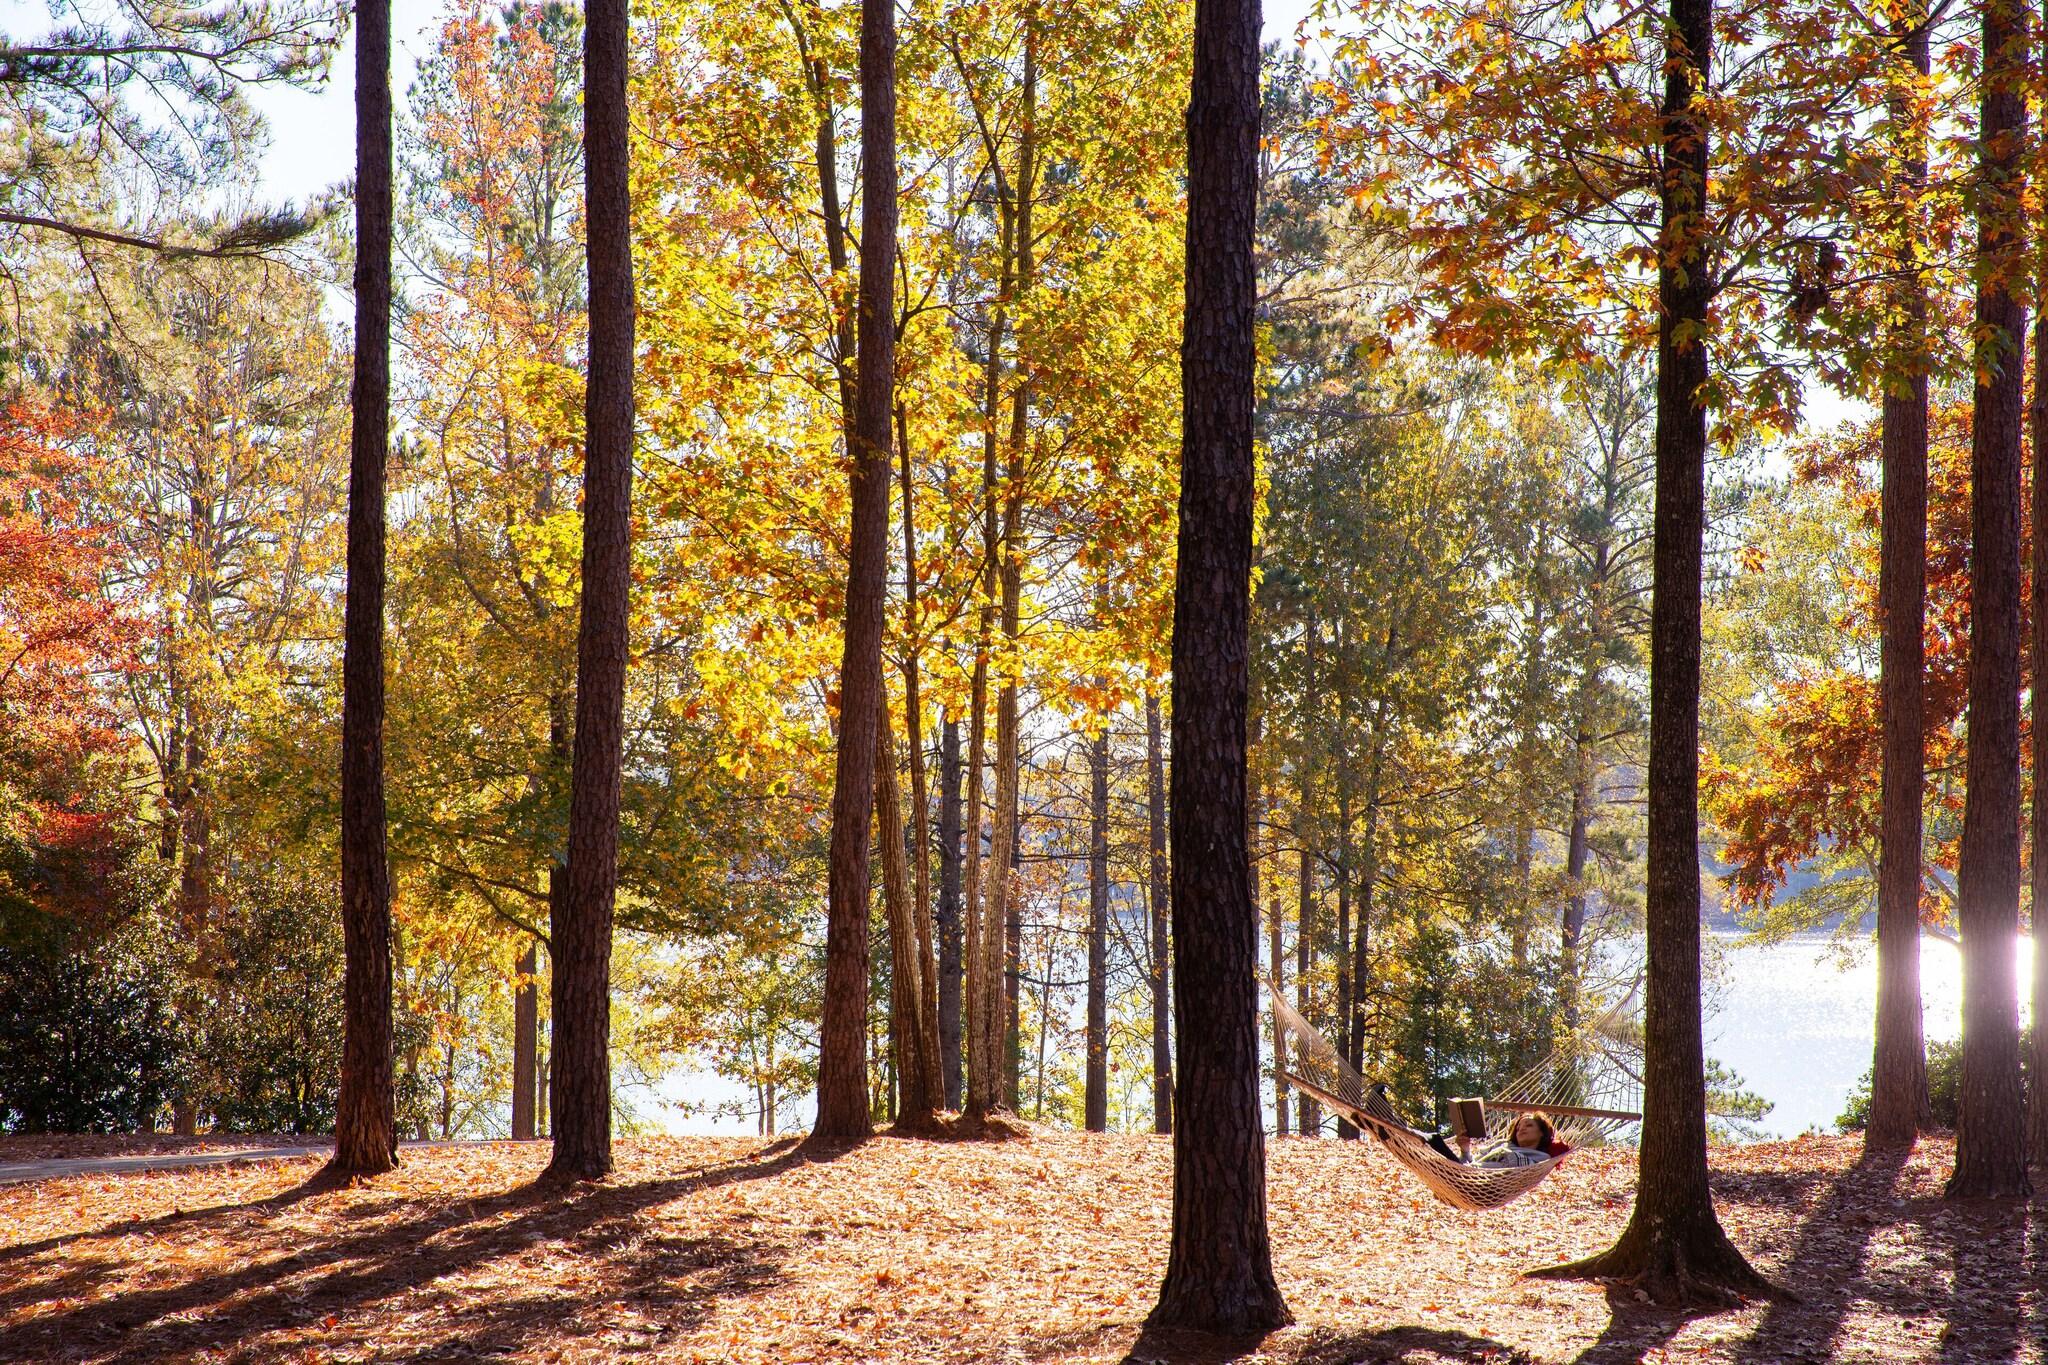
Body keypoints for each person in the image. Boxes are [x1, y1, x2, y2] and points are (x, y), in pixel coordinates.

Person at [1426, 1112, 1561, 1168]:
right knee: (1428, 1148)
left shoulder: (1539, 1159)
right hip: (1465, 1175)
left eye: (1529, 1125)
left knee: (1434, 1140)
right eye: (1518, 1127)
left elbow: (1514, 1164)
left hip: (1477, 1186)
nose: (1521, 1129)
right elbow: (1472, 1163)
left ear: (1542, 1133)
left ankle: (1406, 1132)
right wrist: (1465, 1151)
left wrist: (1505, 1153)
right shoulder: (1502, 1145)